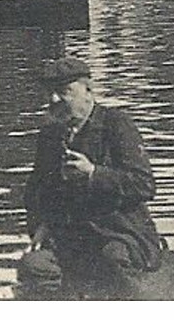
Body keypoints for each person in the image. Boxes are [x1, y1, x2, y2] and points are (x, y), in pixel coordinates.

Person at [18, 57, 162, 299]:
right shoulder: (50, 135)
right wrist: (41, 224)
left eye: (64, 91)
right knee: (33, 267)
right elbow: (35, 191)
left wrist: (94, 173)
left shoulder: (116, 124)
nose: (54, 99)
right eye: (50, 93)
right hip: (72, 236)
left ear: (88, 90)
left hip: (120, 233)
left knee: (113, 262)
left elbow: (144, 185)